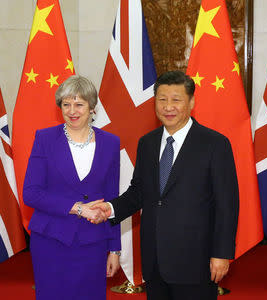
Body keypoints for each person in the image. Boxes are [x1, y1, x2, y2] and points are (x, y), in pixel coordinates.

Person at [92, 71, 239, 300]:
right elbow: (139, 191)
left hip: (196, 261)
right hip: (154, 260)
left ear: (191, 102)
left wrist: (221, 253)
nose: (168, 106)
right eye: (162, 99)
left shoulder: (214, 144)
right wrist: (110, 209)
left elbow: (227, 204)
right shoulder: (147, 143)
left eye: (176, 99)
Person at [23, 75, 121, 300]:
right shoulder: (45, 139)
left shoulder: (111, 142)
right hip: (51, 240)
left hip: (93, 242)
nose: (72, 110)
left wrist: (115, 249)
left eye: (79, 104)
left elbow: (112, 199)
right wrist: (78, 208)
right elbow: (31, 193)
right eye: (66, 104)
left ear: (92, 107)